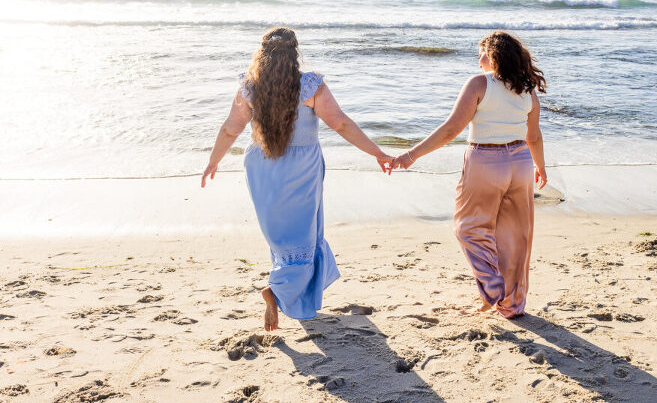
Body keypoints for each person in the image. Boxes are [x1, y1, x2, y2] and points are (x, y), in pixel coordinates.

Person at [202, 26, 394, 331]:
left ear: (262, 55)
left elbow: (230, 129)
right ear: (295, 53)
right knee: (304, 237)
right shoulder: (310, 86)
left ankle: (287, 293)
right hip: (301, 169)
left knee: (283, 239)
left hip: (262, 168)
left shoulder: (250, 88)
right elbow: (342, 124)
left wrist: (213, 162)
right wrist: (377, 153)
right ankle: (277, 292)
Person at [393, 31, 547, 318]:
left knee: (468, 228)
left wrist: (411, 154)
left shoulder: (479, 83)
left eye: (482, 52)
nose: (479, 59)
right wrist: (540, 167)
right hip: (522, 163)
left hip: (486, 162)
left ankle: (492, 289)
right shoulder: (527, 88)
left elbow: (452, 129)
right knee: (516, 236)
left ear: (493, 56)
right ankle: (512, 305)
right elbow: (534, 137)